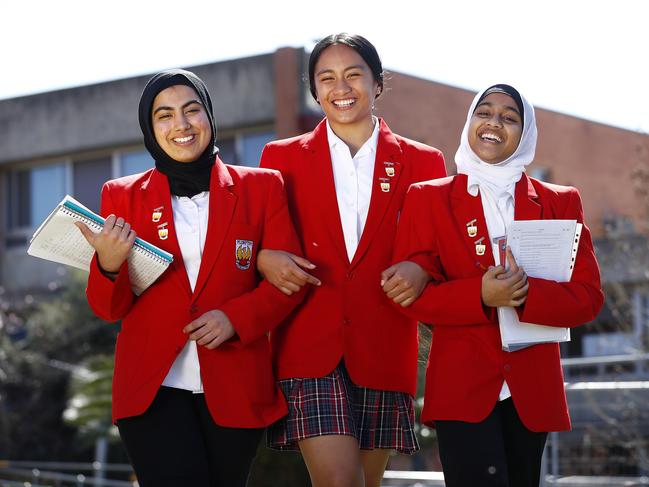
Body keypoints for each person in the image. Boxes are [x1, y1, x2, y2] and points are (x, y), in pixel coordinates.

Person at [76, 69, 303, 487]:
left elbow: (288, 283)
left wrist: (236, 317)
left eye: (191, 110)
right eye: (164, 115)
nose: (180, 124)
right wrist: (108, 264)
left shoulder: (263, 187)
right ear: (150, 127)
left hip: (236, 387)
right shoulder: (120, 195)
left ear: (209, 116)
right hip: (152, 390)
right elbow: (107, 309)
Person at [391, 84, 604, 487]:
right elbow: (411, 299)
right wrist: (481, 296)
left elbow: (588, 298)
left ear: (525, 133)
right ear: (469, 121)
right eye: (483, 112)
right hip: (461, 385)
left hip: (531, 389)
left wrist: (523, 296)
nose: (493, 123)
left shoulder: (560, 201)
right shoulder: (427, 198)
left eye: (509, 117)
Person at [257, 33, 447, 487]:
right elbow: (257, 240)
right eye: (327, 78)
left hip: (383, 343)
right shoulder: (279, 159)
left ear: (377, 82)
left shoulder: (424, 163)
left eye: (353, 74)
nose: (341, 87)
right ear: (315, 90)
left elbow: (439, 249)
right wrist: (264, 257)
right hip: (307, 345)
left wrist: (421, 266)